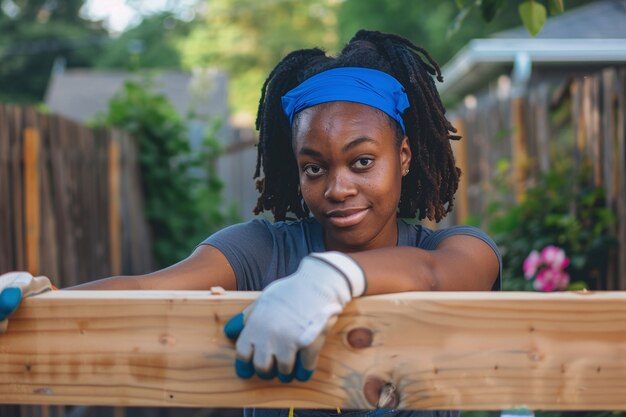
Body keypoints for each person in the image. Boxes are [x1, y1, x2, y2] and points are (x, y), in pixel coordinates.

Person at [0, 30, 501, 417]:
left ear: (405, 156)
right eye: (314, 167)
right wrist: (46, 302)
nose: (338, 187)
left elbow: (438, 278)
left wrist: (332, 278)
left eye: (363, 161)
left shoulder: (457, 249)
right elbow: (148, 289)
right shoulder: (261, 251)